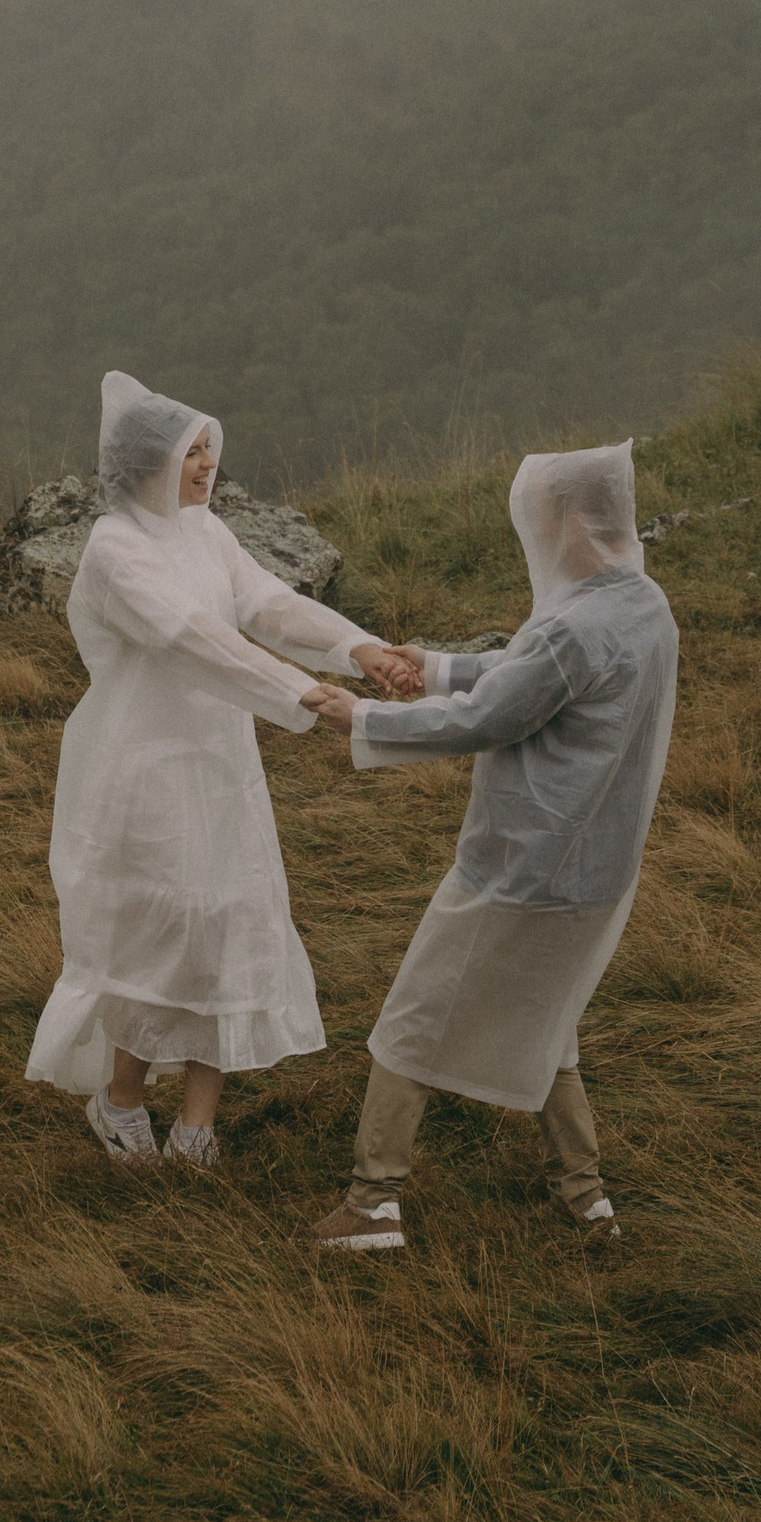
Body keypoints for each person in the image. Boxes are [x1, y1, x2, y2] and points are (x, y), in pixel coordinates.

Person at [25, 371, 424, 1169]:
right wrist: (303, 691)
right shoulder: (114, 550)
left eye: (210, 447)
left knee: (232, 926)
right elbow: (194, 639)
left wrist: (359, 649)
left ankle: (198, 1126)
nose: (208, 464)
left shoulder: (205, 531)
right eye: (191, 451)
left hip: (219, 764)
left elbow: (268, 604)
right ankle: (122, 1099)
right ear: (145, 464)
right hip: (144, 771)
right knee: (164, 933)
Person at [311, 441, 677, 1254]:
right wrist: (435, 666)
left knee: (412, 1022)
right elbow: (530, 671)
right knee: (546, 1022)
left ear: (575, 522)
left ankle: (373, 1204)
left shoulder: (578, 626)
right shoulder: (643, 602)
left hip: (521, 867)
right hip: (594, 871)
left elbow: (493, 714)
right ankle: (586, 1200)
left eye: (546, 519)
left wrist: (363, 719)